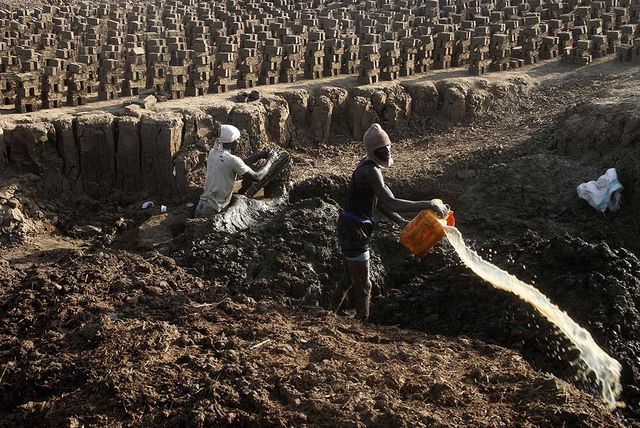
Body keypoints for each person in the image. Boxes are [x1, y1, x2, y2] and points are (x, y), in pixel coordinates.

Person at [329, 123, 449, 321]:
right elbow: (391, 202)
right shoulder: (370, 172)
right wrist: (427, 204)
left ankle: (329, 314)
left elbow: (378, 203)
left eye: (387, 149)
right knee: (365, 285)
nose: (386, 152)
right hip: (355, 230)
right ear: (375, 151)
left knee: (348, 278)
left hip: (350, 226)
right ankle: (362, 323)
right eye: (383, 150)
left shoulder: (368, 166)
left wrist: (400, 221)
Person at [195, 124, 277, 218]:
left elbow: (240, 164)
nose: (238, 142)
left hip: (201, 206)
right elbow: (257, 177)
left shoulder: (213, 153)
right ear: (234, 142)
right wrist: (271, 160)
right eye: (237, 140)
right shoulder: (232, 160)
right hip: (214, 210)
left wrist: (260, 155)